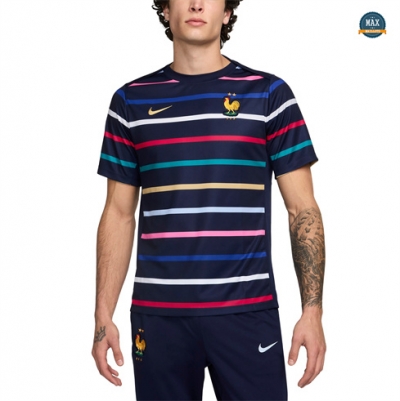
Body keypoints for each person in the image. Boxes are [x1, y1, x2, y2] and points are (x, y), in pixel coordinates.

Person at [92, 0, 326, 400]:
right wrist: (102, 315)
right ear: (165, 10)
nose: (197, 3)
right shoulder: (130, 101)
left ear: (227, 12)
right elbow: (118, 213)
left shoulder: (269, 95)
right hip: (158, 317)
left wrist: (313, 310)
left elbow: (301, 209)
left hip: (247, 313)